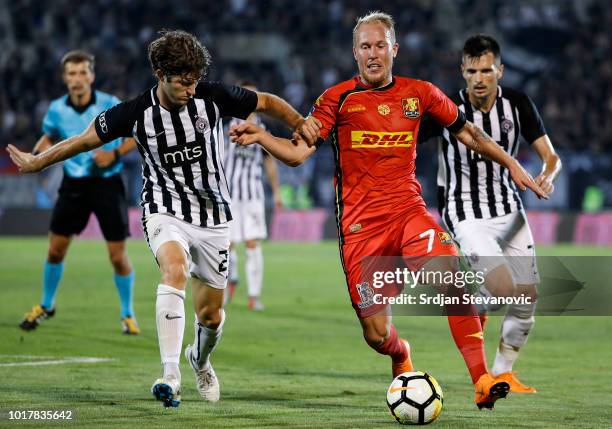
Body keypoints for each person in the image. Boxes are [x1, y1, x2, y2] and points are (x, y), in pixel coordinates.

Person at [230, 12, 547, 410]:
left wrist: (511, 163)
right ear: (355, 52)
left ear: (394, 50)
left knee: (452, 277)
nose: (373, 53)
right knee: (377, 334)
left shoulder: (421, 94)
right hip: (361, 229)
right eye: (366, 46)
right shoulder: (336, 99)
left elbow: (468, 131)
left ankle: (482, 379)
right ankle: (401, 355)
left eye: (380, 45)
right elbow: (297, 153)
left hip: (408, 212)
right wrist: (262, 136)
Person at [7, 30, 319, 408]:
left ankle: (199, 360)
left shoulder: (213, 96)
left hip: (213, 216)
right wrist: (38, 161)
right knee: (173, 269)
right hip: (164, 208)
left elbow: (266, 101)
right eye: (182, 82)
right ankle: (170, 375)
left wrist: (300, 121)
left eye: (193, 81)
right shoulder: (135, 113)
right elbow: (84, 140)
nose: (190, 89)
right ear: (159, 73)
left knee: (212, 315)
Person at [418, 34, 562, 393]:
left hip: (508, 207)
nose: (479, 78)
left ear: (500, 70)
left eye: (486, 70)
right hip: (463, 210)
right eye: (472, 71)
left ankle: (502, 372)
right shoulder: (446, 108)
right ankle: (476, 300)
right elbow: (404, 139)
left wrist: (547, 175)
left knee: (527, 296)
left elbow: (551, 156)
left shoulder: (518, 104)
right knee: (501, 288)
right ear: (462, 72)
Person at [18, 50, 139, 335]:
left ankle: (128, 313)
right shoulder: (56, 109)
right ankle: (46, 305)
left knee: (117, 256)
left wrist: (115, 155)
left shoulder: (110, 104)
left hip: (108, 184)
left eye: (82, 72)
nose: (77, 79)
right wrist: (36, 154)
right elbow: (49, 135)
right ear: (64, 78)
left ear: (92, 76)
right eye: (71, 74)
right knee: (55, 250)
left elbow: (136, 134)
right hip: (73, 185)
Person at [224, 81, 283, 311]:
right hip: (228, 195)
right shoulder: (226, 123)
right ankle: (231, 279)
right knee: (227, 244)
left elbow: (270, 163)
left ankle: (254, 296)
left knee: (252, 243)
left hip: (252, 195)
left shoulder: (263, 128)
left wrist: (276, 191)